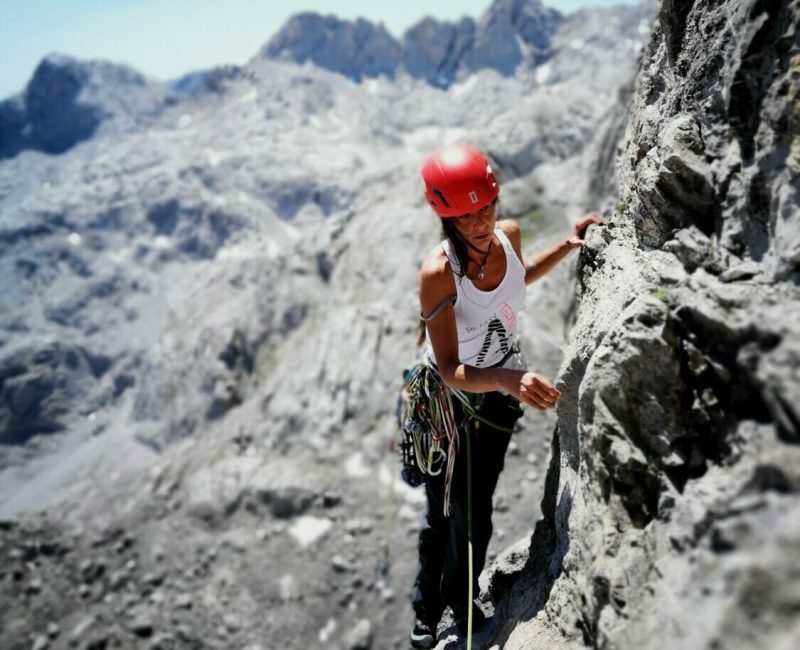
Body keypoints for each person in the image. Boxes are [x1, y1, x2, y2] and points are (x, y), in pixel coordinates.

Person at [409, 144, 605, 648]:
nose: (481, 220)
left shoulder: (507, 234)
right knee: (448, 508)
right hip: (453, 401)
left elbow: (517, 279)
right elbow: (451, 369)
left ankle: (451, 598)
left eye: (487, 207)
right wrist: (505, 378)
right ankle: (434, 610)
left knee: (475, 506)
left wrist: (567, 245)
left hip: (497, 397)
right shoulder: (439, 273)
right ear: (447, 217)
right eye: (467, 214)